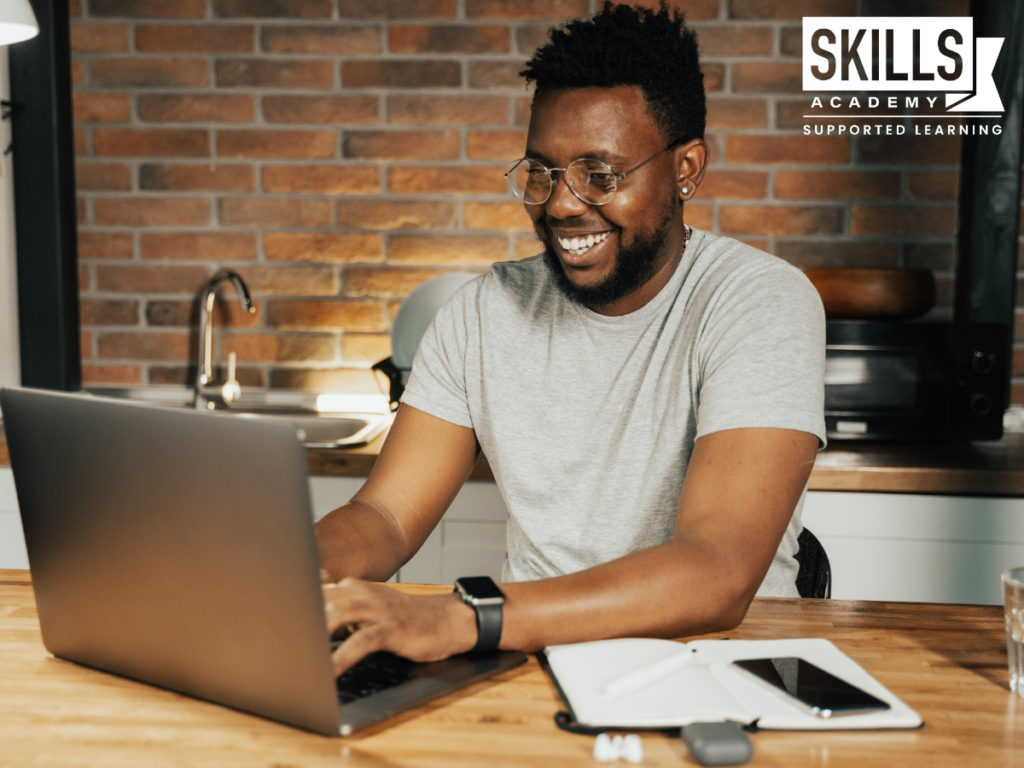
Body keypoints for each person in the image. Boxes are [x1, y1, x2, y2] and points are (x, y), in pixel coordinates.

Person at [316, 2, 825, 675]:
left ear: (686, 168)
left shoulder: (758, 302)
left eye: (600, 175)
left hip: (720, 669)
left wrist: (467, 617)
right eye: (542, 172)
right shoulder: (480, 313)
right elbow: (384, 513)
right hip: (528, 663)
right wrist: (286, 571)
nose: (559, 204)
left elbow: (718, 571)